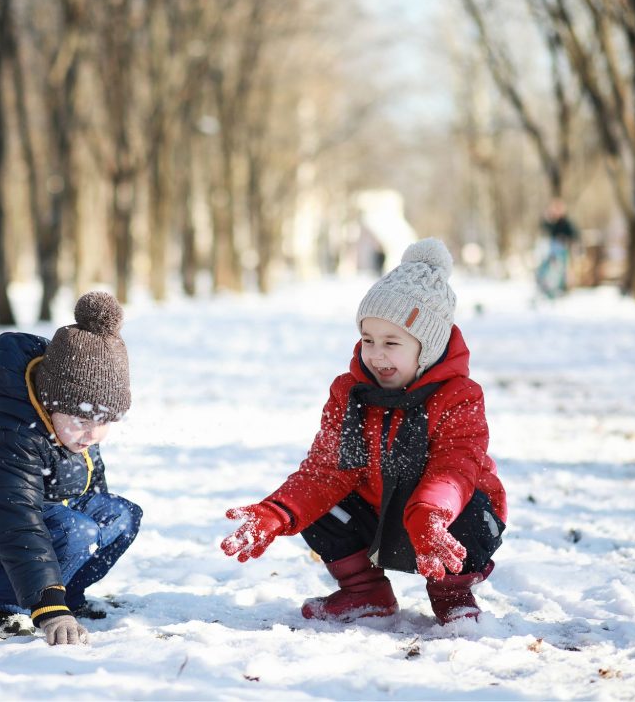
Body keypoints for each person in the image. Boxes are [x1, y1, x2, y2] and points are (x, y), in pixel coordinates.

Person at [221, 238, 507, 625]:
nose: (376, 354)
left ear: (429, 347)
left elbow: (455, 468)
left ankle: (451, 593)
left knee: (470, 509)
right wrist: (278, 511)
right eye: (368, 340)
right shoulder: (350, 393)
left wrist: (428, 514)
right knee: (320, 505)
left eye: (392, 343)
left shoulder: (459, 397)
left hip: (441, 514)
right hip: (377, 507)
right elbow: (326, 469)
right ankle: (365, 591)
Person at [0, 291, 142, 646]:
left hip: (45, 515)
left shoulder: (74, 426)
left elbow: (91, 487)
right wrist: (48, 607)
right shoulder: (11, 433)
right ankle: (4, 603)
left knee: (119, 516)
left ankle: (66, 595)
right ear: (51, 401)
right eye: (82, 419)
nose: (93, 433)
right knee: (78, 532)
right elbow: (17, 522)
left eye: (105, 421)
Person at [536, 197, 578, 298]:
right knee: (550, 269)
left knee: (561, 271)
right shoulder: (552, 222)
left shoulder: (567, 223)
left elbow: (574, 235)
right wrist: (548, 217)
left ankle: (561, 289)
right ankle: (546, 287)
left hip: (562, 251)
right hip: (552, 251)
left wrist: (566, 240)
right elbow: (544, 227)